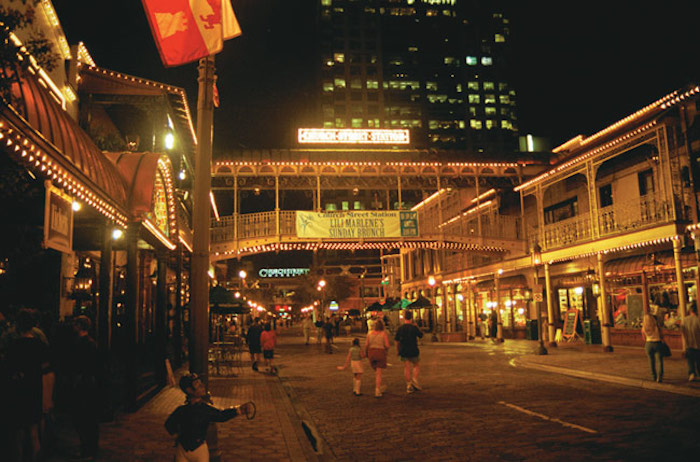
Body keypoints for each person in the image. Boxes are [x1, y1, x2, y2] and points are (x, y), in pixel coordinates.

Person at [3, 308, 53, 462]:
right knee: (33, 433)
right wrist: (47, 397)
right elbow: (47, 371)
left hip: (17, 392)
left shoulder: (12, 346)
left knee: (17, 435)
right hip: (34, 391)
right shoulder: (40, 345)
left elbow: (8, 371)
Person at [165, 373, 252, 462]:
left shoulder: (201, 409)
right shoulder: (184, 410)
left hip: (197, 448)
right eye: (197, 384)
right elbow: (169, 424)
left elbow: (221, 415)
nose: (202, 386)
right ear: (189, 390)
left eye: (200, 383)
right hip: (185, 449)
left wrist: (238, 410)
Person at [68, 315, 101, 460]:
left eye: (75, 324)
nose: (73, 327)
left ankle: (88, 448)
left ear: (80, 326)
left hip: (83, 384)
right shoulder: (90, 343)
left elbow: (82, 365)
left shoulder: (83, 343)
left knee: (84, 417)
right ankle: (89, 447)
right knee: (88, 418)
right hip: (88, 384)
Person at [395, 310, 424, 394]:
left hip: (404, 349)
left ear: (404, 317)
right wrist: (417, 327)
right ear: (411, 317)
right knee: (416, 365)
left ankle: (408, 385)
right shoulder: (413, 327)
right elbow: (421, 335)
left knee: (406, 367)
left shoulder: (400, 328)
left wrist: (397, 350)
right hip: (413, 349)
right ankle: (414, 379)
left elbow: (396, 341)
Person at [365, 318, 390, 397]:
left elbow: (366, 345)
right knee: (379, 373)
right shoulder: (383, 334)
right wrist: (386, 351)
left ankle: (379, 385)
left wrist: (366, 353)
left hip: (371, 353)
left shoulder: (369, 334)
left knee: (376, 371)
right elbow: (387, 345)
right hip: (380, 352)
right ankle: (377, 389)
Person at [642, 313, 664, 383]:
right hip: (657, 343)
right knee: (659, 361)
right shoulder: (656, 326)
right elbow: (661, 335)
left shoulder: (643, 328)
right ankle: (659, 377)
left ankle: (653, 376)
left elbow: (644, 338)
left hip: (648, 344)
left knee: (651, 361)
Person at [681, 302, 700, 381]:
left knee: (690, 361)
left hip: (688, 344)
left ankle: (692, 374)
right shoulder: (698, 320)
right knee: (698, 360)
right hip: (698, 344)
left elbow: (683, 332)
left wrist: (684, 347)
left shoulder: (685, 320)